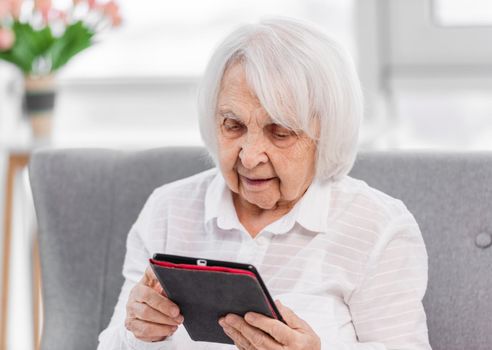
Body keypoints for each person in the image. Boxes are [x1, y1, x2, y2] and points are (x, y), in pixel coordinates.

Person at [98, 17, 431, 350]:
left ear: (326, 132)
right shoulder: (168, 209)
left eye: (280, 132)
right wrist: (137, 332)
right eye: (233, 125)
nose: (250, 156)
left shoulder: (379, 227)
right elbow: (111, 344)